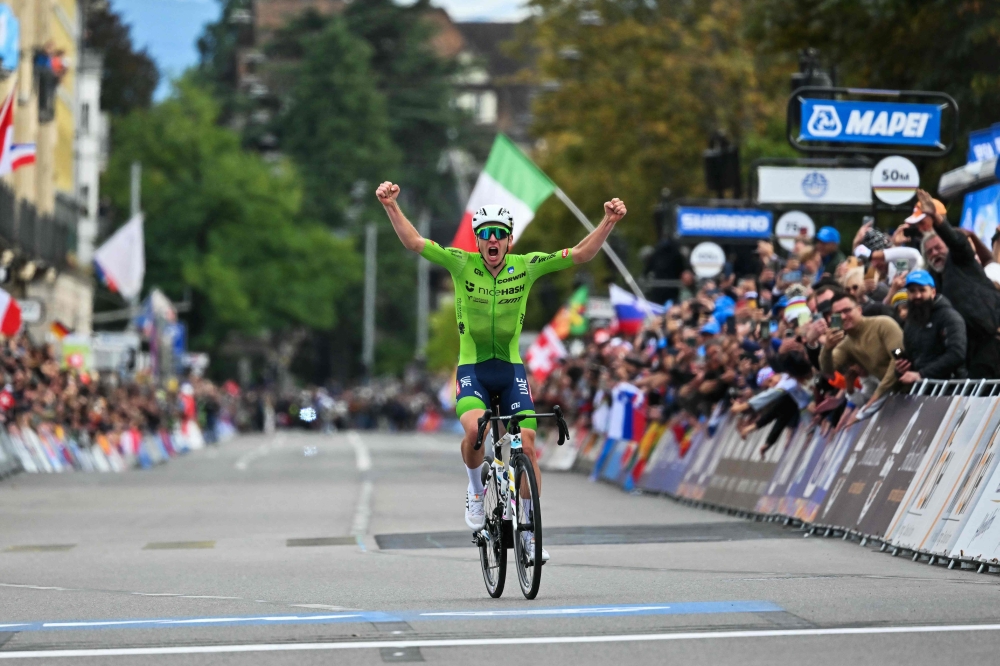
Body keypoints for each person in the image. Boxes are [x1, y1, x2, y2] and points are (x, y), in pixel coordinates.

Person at [376, 181, 627, 563]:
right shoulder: (461, 263)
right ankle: (476, 491)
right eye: (486, 235)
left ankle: (528, 530)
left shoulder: (526, 266)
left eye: (500, 234)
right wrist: (392, 205)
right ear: (478, 241)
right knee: (477, 431)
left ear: (509, 240)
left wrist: (608, 221)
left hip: (510, 370)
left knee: (527, 444)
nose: (493, 240)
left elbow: (579, 254)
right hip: (472, 368)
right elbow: (415, 243)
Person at [915, 189, 1000, 379]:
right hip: (968, 350)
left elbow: (956, 241)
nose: (935, 253)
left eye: (938, 248)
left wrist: (936, 218)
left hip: (992, 339)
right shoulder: (933, 282)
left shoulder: (962, 261)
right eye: (929, 252)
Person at [820, 293, 903, 418]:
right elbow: (828, 369)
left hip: (919, 388)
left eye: (847, 310)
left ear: (859, 309)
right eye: (838, 314)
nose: (843, 316)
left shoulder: (883, 324)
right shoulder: (846, 345)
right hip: (895, 397)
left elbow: (898, 355)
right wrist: (827, 348)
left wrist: (878, 394)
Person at [895, 270, 967, 383]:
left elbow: (956, 354)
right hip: (923, 389)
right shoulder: (910, 322)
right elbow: (912, 356)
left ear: (933, 292)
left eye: (922, 290)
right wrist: (901, 368)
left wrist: (922, 374)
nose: (917, 295)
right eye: (912, 291)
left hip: (950, 388)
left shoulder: (949, 317)